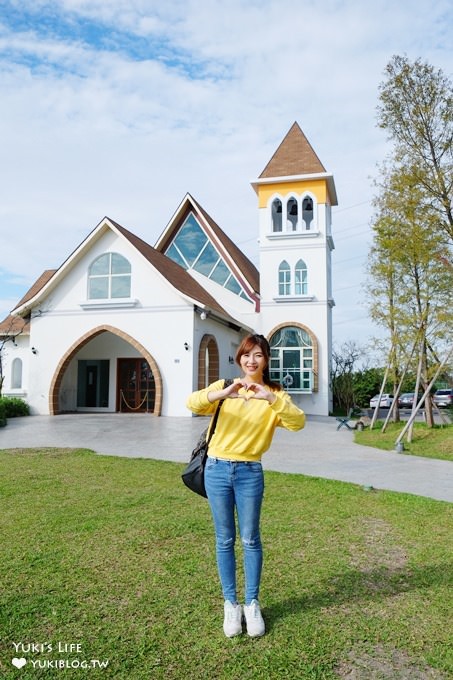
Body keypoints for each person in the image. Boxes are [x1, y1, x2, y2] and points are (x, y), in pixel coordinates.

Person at [186, 333, 305, 638]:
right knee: (224, 539)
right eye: (246, 355)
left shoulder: (275, 395)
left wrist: (270, 399)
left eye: (258, 356)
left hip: (250, 471)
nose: (251, 361)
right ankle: (231, 604)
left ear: (266, 360)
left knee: (250, 539)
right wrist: (222, 394)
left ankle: (252, 603)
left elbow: (297, 422)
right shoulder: (225, 386)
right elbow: (192, 403)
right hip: (216, 469)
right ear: (239, 358)